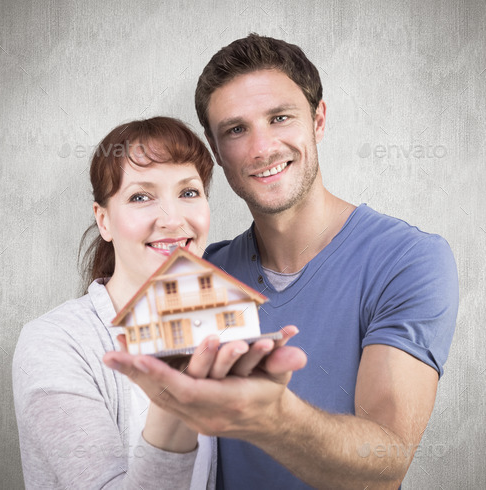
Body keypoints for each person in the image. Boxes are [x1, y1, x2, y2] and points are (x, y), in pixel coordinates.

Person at [106, 34, 459, 489]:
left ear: (319, 119)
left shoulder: (408, 260)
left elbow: (385, 464)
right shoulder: (200, 276)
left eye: (279, 118)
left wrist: (271, 417)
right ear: (216, 152)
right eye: (236, 130)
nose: (261, 148)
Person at [12, 116, 298, 489]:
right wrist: (173, 404)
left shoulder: (216, 328)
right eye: (141, 197)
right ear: (104, 221)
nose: (172, 218)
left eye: (189, 192)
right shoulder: (53, 343)